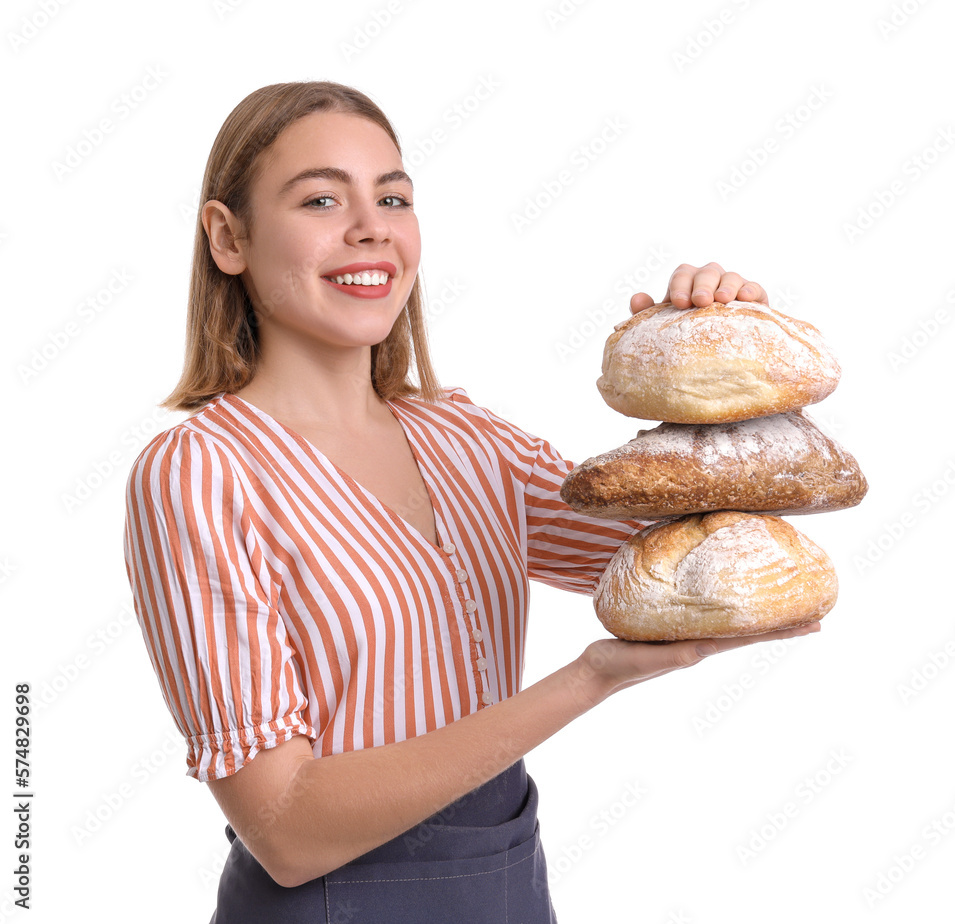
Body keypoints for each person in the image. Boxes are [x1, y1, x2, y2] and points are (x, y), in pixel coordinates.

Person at [122, 81, 821, 923]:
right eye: (319, 198)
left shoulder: (469, 441)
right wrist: (587, 680)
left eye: (393, 197)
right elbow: (287, 829)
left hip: (505, 891)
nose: (371, 225)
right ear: (228, 237)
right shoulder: (201, 472)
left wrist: (726, 378)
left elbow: (706, 572)